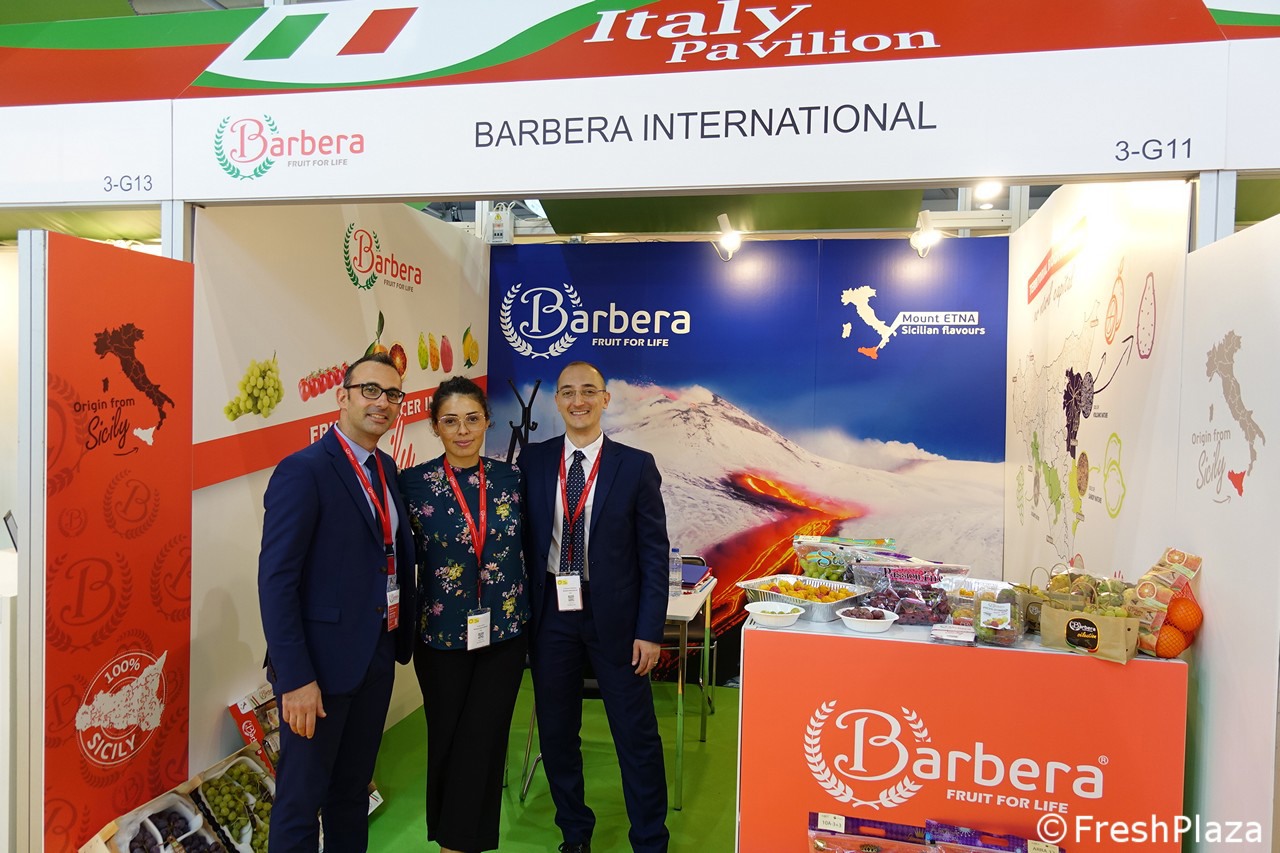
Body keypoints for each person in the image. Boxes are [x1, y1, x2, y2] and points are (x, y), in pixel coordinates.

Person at [258, 353, 417, 853]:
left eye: (392, 394)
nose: (382, 402)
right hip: (318, 671)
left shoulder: (385, 467)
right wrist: (296, 678)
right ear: (341, 396)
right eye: (370, 390)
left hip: (374, 657)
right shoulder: (303, 470)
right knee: (300, 802)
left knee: (351, 793)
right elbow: (277, 581)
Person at [521, 361, 670, 853]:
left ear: (605, 399)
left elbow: (653, 554)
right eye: (568, 392)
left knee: (636, 736)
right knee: (558, 733)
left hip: (618, 620)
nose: (578, 400)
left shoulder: (635, 465)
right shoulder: (534, 461)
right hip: (552, 616)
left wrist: (650, 630)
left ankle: (649, 840)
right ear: (557, 401)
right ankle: (575, 834)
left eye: (588, 391)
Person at [398, 376, 530, 853]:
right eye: (450, 421)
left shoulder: (513, 480)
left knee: (485, 736)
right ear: (435, 426)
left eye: (472, 419)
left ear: (487, 422)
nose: (462, 431)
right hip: (440, 635)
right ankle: (451, 838)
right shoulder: (411, 484)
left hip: (505, 630)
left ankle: (459, 844)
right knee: (447, 736)